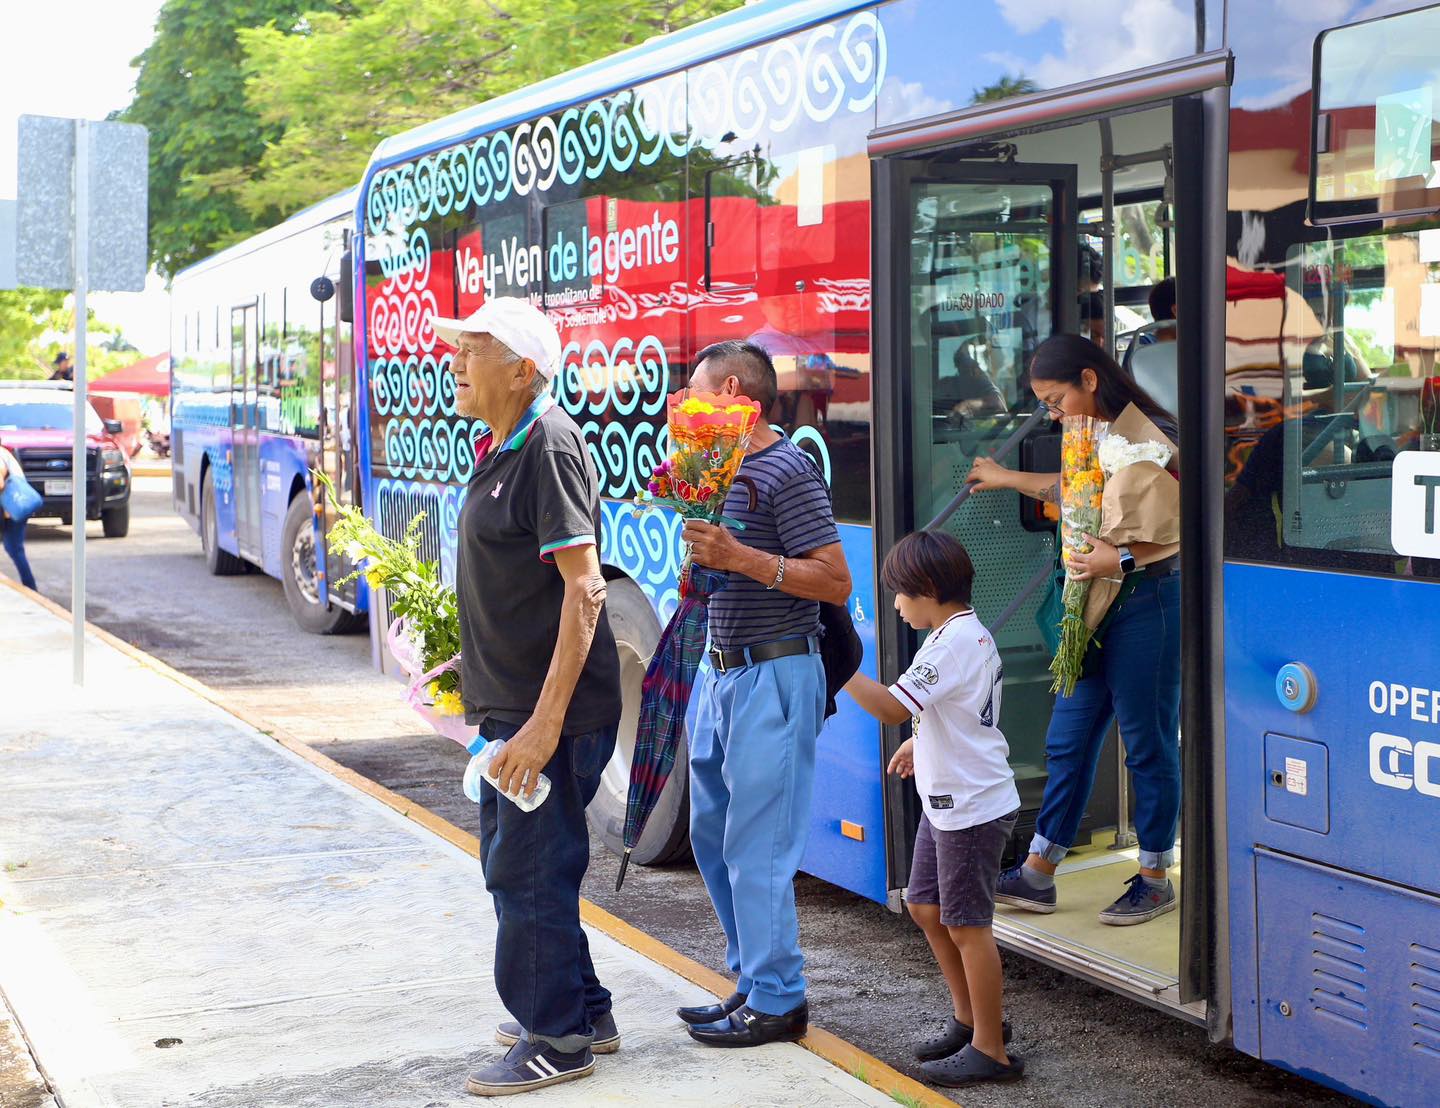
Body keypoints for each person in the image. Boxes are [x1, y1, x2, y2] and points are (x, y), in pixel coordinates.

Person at [429, 298, 623, 1096]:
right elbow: (517, 582)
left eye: (472, 350)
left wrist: (544, 727)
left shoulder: (547, 445)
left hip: (552, 714)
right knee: (527, 863)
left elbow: (586, 593)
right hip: (511, 700)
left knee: (528, 871)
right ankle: (585, 1010)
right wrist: (466, 658)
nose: (456, 363)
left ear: (522, 369)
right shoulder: (506, 443)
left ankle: (558, 1040)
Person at [968, 333, 1182, 926]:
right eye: (1044, 403)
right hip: (1086, 602)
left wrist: (1124, 560)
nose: (1053, 413)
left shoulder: (1153, 433)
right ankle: (1039, 870)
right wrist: (1007, 477)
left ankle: (1156, 874)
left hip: (1146, 600)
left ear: (1090, 379)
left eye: (1056, 398)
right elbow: (1079, 499)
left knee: (1147, 741)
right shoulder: (1086, 437)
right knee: (1067, 738)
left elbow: (1191, 522)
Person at [674, 339, 852, 1046]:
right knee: (711, 837)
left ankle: (779, 1000)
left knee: (758, 846)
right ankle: (751, 979)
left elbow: (835, 581)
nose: (687, 407)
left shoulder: (788, 469)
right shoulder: (718, 470)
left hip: (775, 671)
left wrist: (737, 558)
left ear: (736, 395)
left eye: (697, 392)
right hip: (722, 672)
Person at [843, 531, 1024, 1087]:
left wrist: (840, 667)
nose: (896, 605)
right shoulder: (960, 632)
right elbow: (949, 710)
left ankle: (990, 1050)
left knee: (968, 925)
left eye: (900, 594)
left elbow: (891, 707)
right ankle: (971, 1019)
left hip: (971, 806)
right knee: (924, 905)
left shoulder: (950, 645)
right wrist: (920, 742)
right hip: (947, 800)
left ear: (927, 590)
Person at [0, 445, 37, 591]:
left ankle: (31, 587)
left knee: (14, 548)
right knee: (14, 548)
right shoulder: (4, 453)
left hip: (11, 507)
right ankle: (30, 587)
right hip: (17, 506)